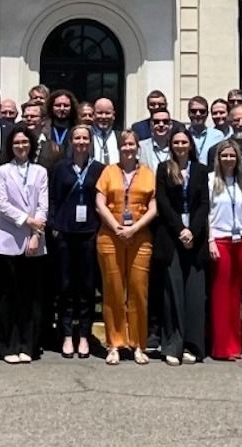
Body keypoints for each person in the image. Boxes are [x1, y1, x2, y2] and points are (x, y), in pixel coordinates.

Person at [96, 130, 158, 364]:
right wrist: (116, 227)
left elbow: (153, 206)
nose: (128, 148)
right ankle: (114, 343)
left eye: (132, 144)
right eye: (124, 144)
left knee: (138, 291)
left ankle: (138, 344)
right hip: (110, 237)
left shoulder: (147, 173)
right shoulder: (109, 171)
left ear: (137, 147)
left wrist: (133, 229)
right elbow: (100, 202)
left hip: (139, 236)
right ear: (119, 147)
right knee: (113, 289)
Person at [0, 125, 51, 363]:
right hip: (9, 238)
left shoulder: (40, 172)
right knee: (9, 295)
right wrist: (27, 221)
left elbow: (43, 205)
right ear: (10, 146)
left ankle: (29, 345)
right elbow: (2, 204)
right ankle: (8, 345)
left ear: (31, 145)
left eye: (25, 142)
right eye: (16, 143)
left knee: (30, 295)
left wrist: (37, 233)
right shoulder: (3, 171)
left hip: (35, 239)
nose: (21, 146)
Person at [154, 127, 208, 364]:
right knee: (172, 292)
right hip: (171, 236)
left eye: (184, 142)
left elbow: (204, 204)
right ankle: (172, 345)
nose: (180, 146)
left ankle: (192, 345)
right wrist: (180, 230)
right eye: (175, 142)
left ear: (190, 145)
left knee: (194, 292)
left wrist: (192, 231)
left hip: (195, 238)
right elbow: (163, 203)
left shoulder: (201, 170)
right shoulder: (164, 169)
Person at [49, 123, 102, 359]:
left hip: (90, 233)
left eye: (85, 138)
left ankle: (84, 336)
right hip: (65, 234)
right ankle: (68, 335)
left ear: (90, 142)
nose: (81, 142)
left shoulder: (99, 169)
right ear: (71, 142)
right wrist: (54, 228)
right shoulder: (60, 169)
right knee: (66, 286)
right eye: (77, 138)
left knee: (87, 287)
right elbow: (52, 200)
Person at [205, 139, 242, 360]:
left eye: (232, 155)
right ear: (218, 158)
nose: (228, 159)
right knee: (220, 294)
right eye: (224, 155)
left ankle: (235, 345)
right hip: (220, 240)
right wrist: (210, 240)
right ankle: (221, 347)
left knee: (236, 295)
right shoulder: (210, 181)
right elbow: (206, 214)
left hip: (241, 241)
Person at [183, 95, 225, 160]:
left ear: (207, 114)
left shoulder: (218, 136)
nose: (198, 114)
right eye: (194, 111)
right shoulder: (183, 135)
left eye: (202, 111)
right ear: (188, 113)